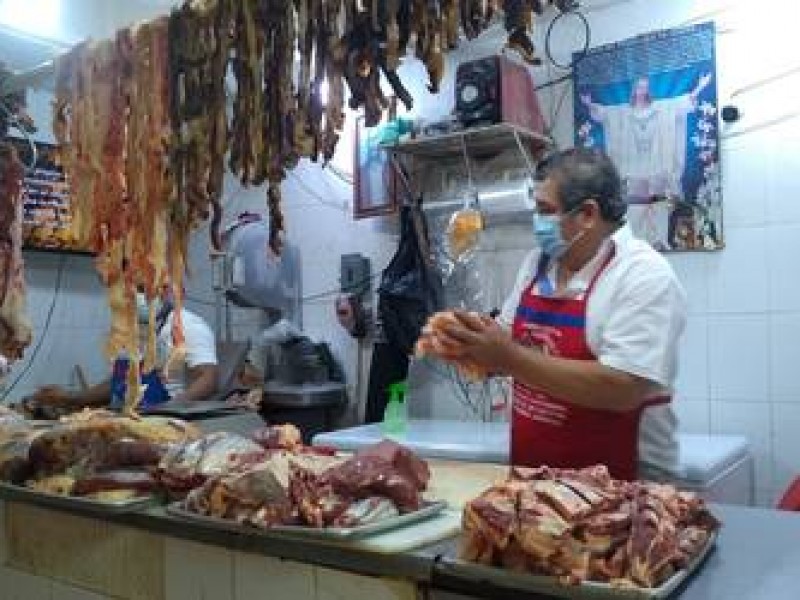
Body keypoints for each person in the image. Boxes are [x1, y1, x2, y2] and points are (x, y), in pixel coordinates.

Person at [429, 149, 687, 479]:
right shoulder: (538, 264)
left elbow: (623, 387)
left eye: (545, 211)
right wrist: (468, 342)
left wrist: (507, 358)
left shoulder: (642, 274)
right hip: (534, 482)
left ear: (588, 214)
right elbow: (507, 339)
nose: (537, 222)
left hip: (621, 491)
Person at [25, 290, 219, 414]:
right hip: (127, 416)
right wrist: (73, 397)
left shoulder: (188, 326)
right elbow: (120, 381)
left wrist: (169, 409)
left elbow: (208, 378)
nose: (135, 296)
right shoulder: (132, 329)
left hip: (168, 420)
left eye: (143, 289)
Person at [580, 73, 712, 201]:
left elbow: (680, 105)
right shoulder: (623, 111)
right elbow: (606, 114)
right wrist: (589, 104)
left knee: (659, 201)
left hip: (656, 166)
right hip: (633, 169)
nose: (642, 91)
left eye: (645, 88)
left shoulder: (660, 108)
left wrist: (699, 87)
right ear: (634, 90)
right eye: (639, 87)